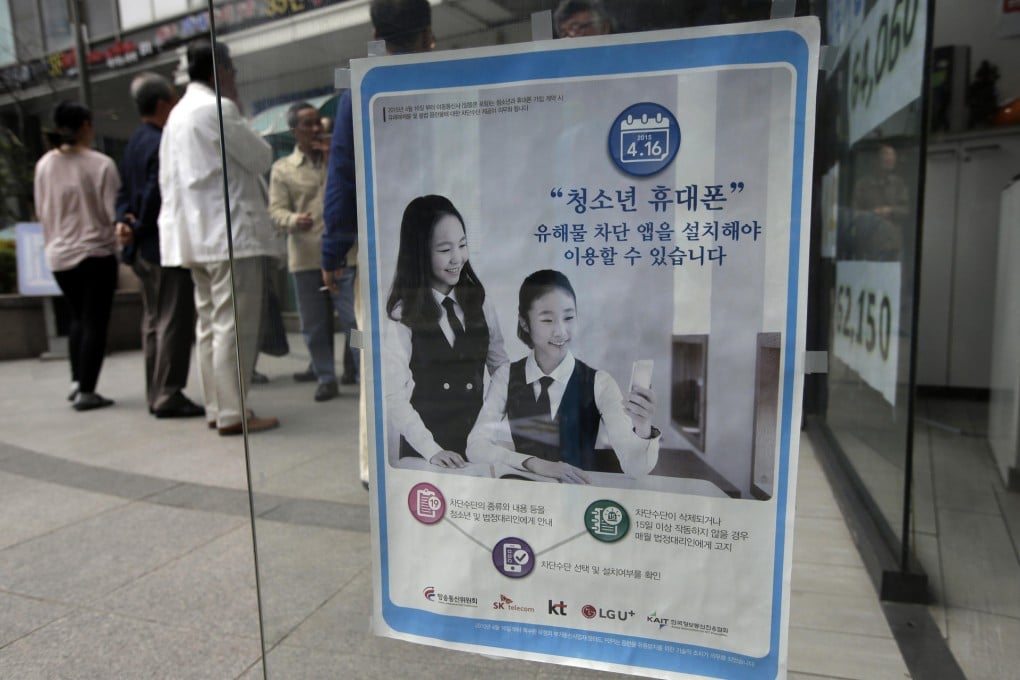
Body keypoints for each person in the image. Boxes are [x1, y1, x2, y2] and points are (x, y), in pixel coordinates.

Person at [322, 0, 436, 486]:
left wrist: (332, 250)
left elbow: (343, 175)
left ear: (375, 31)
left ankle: (376, 467)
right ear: (428, 30)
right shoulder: (444, 74)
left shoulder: (363, 85)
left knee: (380, 356)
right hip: (440, 240)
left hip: (379, 244)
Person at [158, 40, 281, 435]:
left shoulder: (176, 116)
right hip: (231, 235)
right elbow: (261, 157)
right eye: (232, 72)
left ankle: (217, 406)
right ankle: (233, 412)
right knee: (235, 325)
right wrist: (238, 108)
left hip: (193, 236)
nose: (235, 80)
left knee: (210, 324)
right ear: (220, 72)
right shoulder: (219, 109)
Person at [467, 269, 659, 483]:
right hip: (524, 498)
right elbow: (476, 446)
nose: (561, 331)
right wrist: (533, 463)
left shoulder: (599, 383)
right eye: (547, 320)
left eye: (568, 317)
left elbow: (636, 469)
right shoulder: (506, 377)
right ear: (524, 323)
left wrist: (642, 426)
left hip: (578, 502)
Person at [384, 195, 508, 468]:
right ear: (418, 253)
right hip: (426, 452)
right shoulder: (402, 315)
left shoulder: (480, 300)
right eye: (444, 250)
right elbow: (393, 394)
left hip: (477, 446)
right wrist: (431, 450)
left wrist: (489, 427)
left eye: (462, 245)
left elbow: (501, 369)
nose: (457, 258)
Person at [115, 72, 204, 419]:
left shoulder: (135, 141)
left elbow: (125, 191)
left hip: (140, 248)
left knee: (152, 321)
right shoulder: (159, 141)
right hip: (158, 245)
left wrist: (126, 222)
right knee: (172, 320)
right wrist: (137, 227)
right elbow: (157, 192)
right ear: (164, 104)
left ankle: (156, 391)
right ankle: (168, 392)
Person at [34, 101, 120, 411]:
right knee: (95, 321)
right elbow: (113, 213)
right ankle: (87, 390)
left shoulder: (44, 165)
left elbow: (42, 211)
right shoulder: (101, 164)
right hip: (95, 252)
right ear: (86, 125)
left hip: (59, 256)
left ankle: (77, 381)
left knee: (78, 318)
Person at [269, 101, 342, 401]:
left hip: (341, 255)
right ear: (294, 131)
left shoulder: (336, 159)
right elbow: (275, 211)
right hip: (306, 255)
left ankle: (356, 367)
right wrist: (292, 220)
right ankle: (326, 376)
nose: (314, 129)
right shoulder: (282, 169)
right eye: (308, 124)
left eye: (318, 123)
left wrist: (332, 159)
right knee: (314, 323)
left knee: (352, 318)